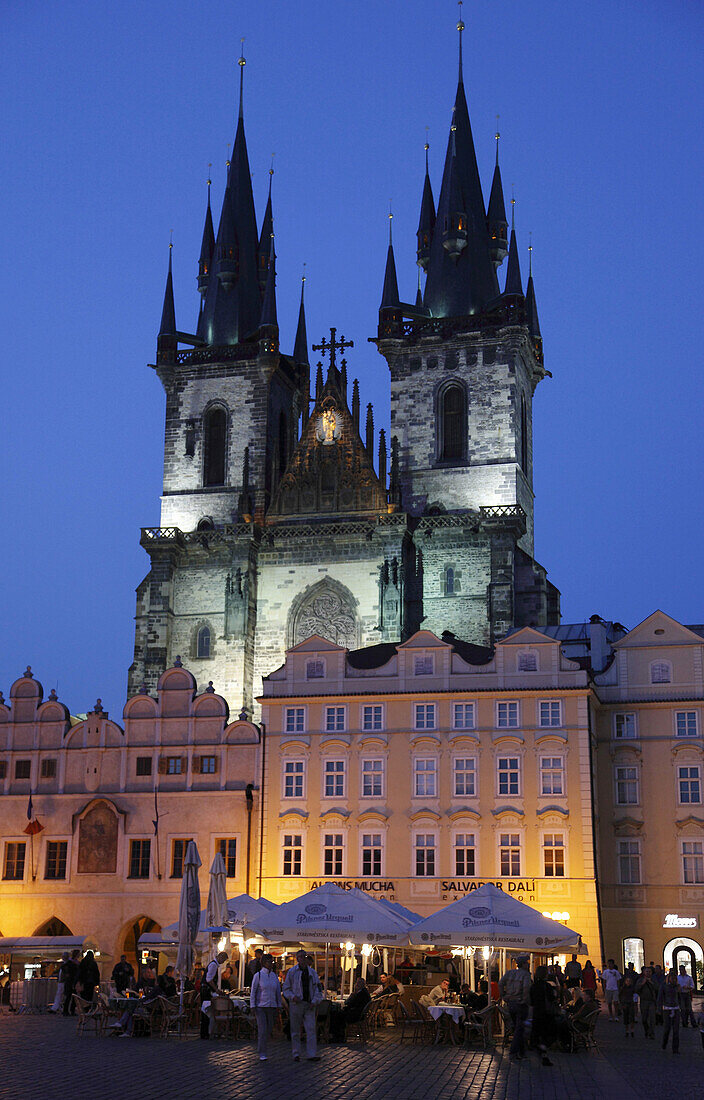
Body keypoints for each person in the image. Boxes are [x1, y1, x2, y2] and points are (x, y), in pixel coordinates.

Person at [282, 950, 323, 1062]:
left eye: (304, 957)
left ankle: (311, 1053)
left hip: (309, 1004)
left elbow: (318, 989)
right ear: (297, 959)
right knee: (295, 1030)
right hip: (296, 1004)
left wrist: (315, 1001)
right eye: (300, 957)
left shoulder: (312, 973)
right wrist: (292, 997)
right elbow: (286, 989)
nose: (302, 959)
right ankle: (296, 1053)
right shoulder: (292, 972)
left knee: (311, 1029)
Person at [498, 955, 532, 1062]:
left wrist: (503, 995)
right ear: (524, 964)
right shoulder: (526, 975)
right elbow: (526, 988)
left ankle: (522, 1052)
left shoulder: (510, 973)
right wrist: (525, 1000)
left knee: (518, 1027)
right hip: (520, 1003)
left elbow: (500, 983)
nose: (528, 964)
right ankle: (513, 1052)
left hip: (510, 1003)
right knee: (519, 1028)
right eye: (527, 963)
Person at [250, 953, 282, 1061]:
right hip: (261, 1006)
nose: (271, 964)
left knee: (269, 1029)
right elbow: (253, 991)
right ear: (263, 963)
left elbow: (277, 991)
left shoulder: (273, 976)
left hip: (272, 1006)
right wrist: (253, 1005)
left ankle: (263, 1048)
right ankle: (262, 1052)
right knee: (263, 1029)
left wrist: (279, 1004)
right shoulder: (258, 975)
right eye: (269, 962)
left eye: (272, 962)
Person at [110, 968, 160, 1036]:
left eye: (150, 973)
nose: (150, 975)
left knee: (131, 1009)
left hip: (149, 1009)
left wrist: (141, 999)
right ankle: (127, 1030)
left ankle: (123, 1026)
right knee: (131, 1010)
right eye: (148, 973)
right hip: (148, 1007)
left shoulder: (154, 987)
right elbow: (141, 994)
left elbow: (146, 997)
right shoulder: (143, 983)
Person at [330, 977, 372, 1042]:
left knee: (335, 1014)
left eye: (357, 983)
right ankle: (337, 1035)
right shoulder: (364, 992)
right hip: (360, 1014)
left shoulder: (360, 994)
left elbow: (349, 1003)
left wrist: (352, 995)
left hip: (355, 1015)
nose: (355, 985)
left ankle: (338, 1036)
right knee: (337, 1013)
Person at [530, 965, 557, 1065]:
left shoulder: (533, 986)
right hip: (546, 1013)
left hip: (536, 1012)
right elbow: (552, 998)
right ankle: (543, 1052)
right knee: (548, 1034)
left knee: (539, 1034)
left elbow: (531, 1001)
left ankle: (542, 1052)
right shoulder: (547, 986)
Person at [200, 950, 229, 1040]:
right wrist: (216, 990)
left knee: (206, 1011)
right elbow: (209, 979)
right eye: (223, 960)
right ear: (220, 957)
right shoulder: (213, 965)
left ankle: (206, 1032)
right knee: (206, 1011)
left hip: (206, 990)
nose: (223, 962)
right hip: (206, 991)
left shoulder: (213, 965)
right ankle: (205, 1033)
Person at [657, 971, 681, 1053]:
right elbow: (660, 998)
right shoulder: (664, 986)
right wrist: (659, 1009)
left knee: (676, 1030)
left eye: (675, 978)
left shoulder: (677, 987)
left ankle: (675, 1048)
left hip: (676, 1008)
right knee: (667, 1029)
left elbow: (680, 997)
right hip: (667, 1008)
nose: (674, 980)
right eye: (672, 978)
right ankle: (664, 1044)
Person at [635, 967, 658, 1039]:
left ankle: (652, 1032)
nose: (648, 973)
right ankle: (646, 1030)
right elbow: (636, 989)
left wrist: (651, 983)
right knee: (644, 1018)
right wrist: (642, 984)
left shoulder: (654, 980)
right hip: (643, 1001)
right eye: (646, 971)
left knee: (652, 1018)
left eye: (649, 971)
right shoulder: (640, 980)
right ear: (644, 972)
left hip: (652, 1001)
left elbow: (658, 988)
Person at [61, 950, 80, 1016]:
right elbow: (63, 967)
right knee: (68, 997)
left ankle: (71, 1010)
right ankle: (66, 1011)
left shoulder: (76, 963)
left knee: (73, 997)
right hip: (70, 981)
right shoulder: (70, 963)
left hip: (73, 981)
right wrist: (66, 974)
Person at [618, 973, 637, 1037]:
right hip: (625, 1003)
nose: (628, 982)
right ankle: (627, 1030)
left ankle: (632, 1030)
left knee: (631, 1017)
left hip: (630, 1003)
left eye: (629, 981)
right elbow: (620, 996)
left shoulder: (632, 988)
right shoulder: (623, 988)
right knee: (626, 1017)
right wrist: (621, 1003)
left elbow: (635, 995)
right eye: (627, 981)